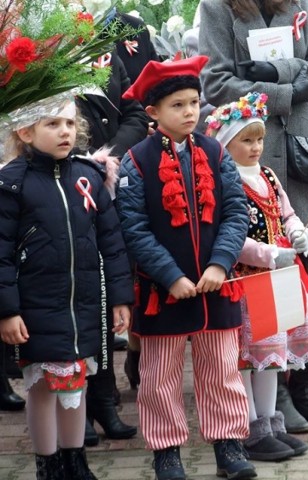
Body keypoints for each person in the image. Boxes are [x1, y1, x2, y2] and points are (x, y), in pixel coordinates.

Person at [198, 0, 308, 434]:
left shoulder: (299, 4)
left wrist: (276, 76)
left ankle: (306, 385)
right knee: (269, 283)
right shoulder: (218, 8)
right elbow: (215, 81)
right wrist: (286, 90)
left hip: (306, 157)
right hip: (250, 158)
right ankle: (278, 389)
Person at [116, 55, 256, 480]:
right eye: (178, 105)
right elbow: (133, 228)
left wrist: (220, 263)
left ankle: (229, 446)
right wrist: (170, 275)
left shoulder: (215, 152)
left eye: (194, 102)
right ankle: (166, 451)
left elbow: (236, 211)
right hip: (164, 291)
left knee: (222, 369)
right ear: (153, 112)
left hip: (217, 285)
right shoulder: (135, 161)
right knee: (159, 377)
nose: (190, 112)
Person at [0, 93, 134, 479]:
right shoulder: (11, 183)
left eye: (71, 124)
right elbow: (2, 253)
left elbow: (112, 240)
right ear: (26, 131)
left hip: (83, 304)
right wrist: (7, 310)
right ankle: (49, 463)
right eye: (53, 124)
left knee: (76, 381)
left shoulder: (88, 175)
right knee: (43, 386)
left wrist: (121, 298)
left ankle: (75, 460)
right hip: (36, 306)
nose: (65, 132)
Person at [206, 92, 308, 461]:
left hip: (278, 280)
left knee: (273, 355)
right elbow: (230, 238)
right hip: (245, 281)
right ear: (227, 143)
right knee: (247, 358)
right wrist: (268, 253)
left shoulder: (267, 175)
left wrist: (299, 230)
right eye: (247, 140)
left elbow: (285, 212)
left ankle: (272, 423)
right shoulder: (226, 183)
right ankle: (250, 428)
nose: (256, 147)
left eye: (259, 140)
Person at [78, 48, 146, 447]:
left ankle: (104, 400)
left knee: (105, 295)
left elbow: (134, 111)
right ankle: (80, 404)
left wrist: (106, 160)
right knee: (76, 300)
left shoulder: (101, 48)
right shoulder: (37, 50)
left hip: (106, 181)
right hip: (60, 180)